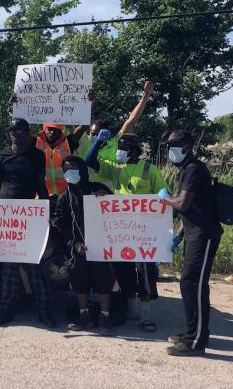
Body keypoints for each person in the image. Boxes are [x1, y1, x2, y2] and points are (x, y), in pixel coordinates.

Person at [87, 131, 169, 332]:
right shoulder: (115, 168)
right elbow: (89, 161)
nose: (119, 152)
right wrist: (98, 141)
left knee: (145, 272)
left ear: (134, 150)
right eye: (119, 148)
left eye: (123, 149)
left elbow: (164, 196)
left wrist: (163, 197)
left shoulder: (150, 169)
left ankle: (146, 316)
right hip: (120, 229)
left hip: (144, 230)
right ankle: (130, 310)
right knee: (122, 269)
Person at [0, 118, 57, 328]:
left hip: (30, 216)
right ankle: (6, 309)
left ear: (28, 134)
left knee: (35, 265)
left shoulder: (37, 156)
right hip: (7, 217)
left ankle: (44, 311)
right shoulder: (1, 156)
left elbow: (41, 186)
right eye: (12, 131)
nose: (16, 135)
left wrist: (46, 213)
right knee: (9, 267)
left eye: (20, 131)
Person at [159, 130, 222, 356]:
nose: (171, 149)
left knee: (193, 285)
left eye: (175, 145)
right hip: (194, 233)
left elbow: (183, 204)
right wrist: (179, 234)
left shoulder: (194, 169)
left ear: (187, 146)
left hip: (204, 235)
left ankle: (194, 342)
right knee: (189, 284)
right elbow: (194, 209)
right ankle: (192, 333)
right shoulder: (186, 170)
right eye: (169, 145)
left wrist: (164, 198)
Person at [51, 155, 115, 336]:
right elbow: (62, 226)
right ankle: (83, 315)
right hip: (78, 248)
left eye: (74, 169)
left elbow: (115, 209)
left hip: (101, 245)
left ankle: (105, 317)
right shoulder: (64, 198)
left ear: (83, 171)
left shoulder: (98, 189)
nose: (71, 173)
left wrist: (106, 197)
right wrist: (73, 244)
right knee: (80, 282)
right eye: (66, 170)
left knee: (103, 281)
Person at [73, 81, 154, 186]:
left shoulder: (116, 143)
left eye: (99, 134)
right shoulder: (84, 141)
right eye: (93, 134)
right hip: (86, 192)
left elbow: (132, 120)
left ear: (106, 134)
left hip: (109, 195)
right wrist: (88, 105)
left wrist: (145, 96)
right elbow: (77, 124)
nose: (95, 137)